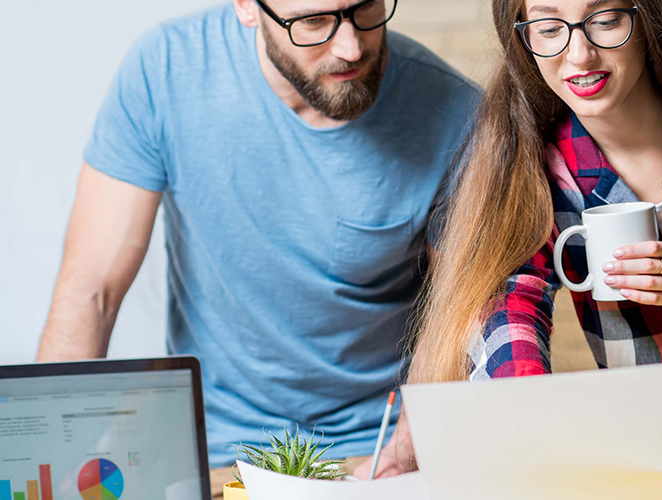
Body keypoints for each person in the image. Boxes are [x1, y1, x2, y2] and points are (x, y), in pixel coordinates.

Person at [35, 0, 480, 491]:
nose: (351, 46)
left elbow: (457, 314)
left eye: (367, 7)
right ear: (248, 7)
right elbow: (92, 290)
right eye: (313, 21)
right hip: (210, 448)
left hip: (373, 452)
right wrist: (49, 460)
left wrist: (413, 441)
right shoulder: (166, 68)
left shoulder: (456, 114)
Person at [381, 0, 662, 476]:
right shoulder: (535, 163)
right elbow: (506, 301)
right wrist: (530, 407)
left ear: (649, 17)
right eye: (547, 27)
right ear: (523, 37)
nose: (579, 55)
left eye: (604, 21)